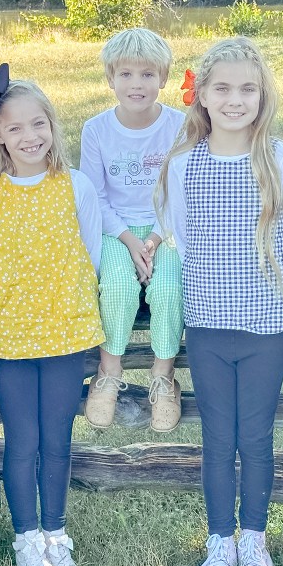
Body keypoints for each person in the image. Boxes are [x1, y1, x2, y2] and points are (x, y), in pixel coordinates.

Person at [156, 38, 283, 566]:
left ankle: (254, 538)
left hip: (265, 327)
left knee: (255, 435)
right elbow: (180, 235)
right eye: (222, 88)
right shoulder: (185, 164)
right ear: (201, 95)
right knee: (217, 438)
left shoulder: (279, 158)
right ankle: (219, 541)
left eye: (247, 89)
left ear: (262, 96)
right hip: (207, 324)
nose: (235, 100)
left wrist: (280, 297)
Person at [0, 63, 104, 566]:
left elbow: (90, 254)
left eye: (38, 124)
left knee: (58, 439)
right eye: (16, 127)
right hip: (8, 336)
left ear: (52, 125)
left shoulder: (75, 185)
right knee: (22, 440)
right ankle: (26, 540)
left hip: (64, 331)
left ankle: (56, 536)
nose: (30, 136)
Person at [79, 28, 186, 432]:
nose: (136, 84)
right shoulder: (96, 129)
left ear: (163, 78)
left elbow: (179, 192)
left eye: (147, 74)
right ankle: (108, 372)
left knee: (168, 290)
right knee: (119, 290)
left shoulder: (180, 125)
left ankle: (164, 376)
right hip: (114, 230)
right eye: (125, 74)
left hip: (166, 228)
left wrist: (154, 240)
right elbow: (95, 196)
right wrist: (129, 241)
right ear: (110, 78)